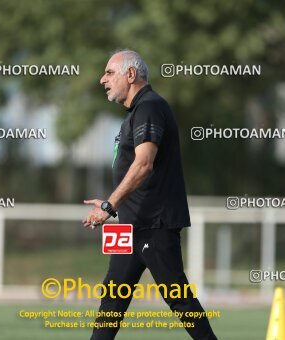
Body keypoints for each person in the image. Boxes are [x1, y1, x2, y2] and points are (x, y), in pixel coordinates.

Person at [82, 50, 218, 340]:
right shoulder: (136, 112)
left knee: (179, 300)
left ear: (130, 75)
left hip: (153, 225)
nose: (102, 79)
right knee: (112, 301)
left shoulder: (150, 107)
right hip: (130, 225)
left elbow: (144, 163)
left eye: (109, 73)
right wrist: (114, 203)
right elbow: (133, 171)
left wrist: (110, 204)